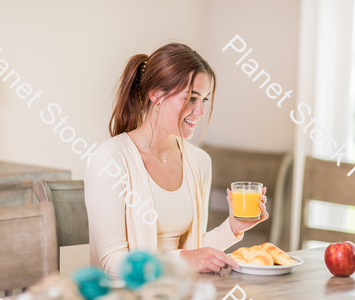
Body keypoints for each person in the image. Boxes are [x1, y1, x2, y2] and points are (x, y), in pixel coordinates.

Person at [84, 42, 269, 278]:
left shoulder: (199, 161)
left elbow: (194, 252)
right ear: (156, 95)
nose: (200, 111)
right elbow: (112, 262)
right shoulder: (108, 160)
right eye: (191, 98)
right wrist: (182, 258)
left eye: (204, 100)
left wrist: (233, 228)